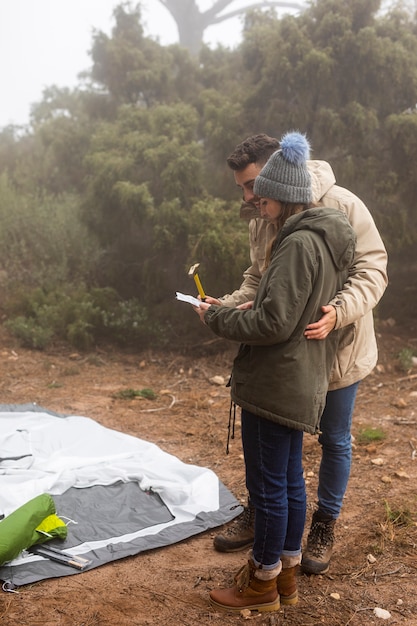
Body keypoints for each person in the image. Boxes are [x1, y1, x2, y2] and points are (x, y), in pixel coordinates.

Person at [206, 133, 388, 575]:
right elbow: (259, 280)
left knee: (333, 438)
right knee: (281, 456)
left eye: (254, 186)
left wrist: (338, 312)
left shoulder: (342, 204)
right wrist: (225, 305)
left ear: (277, 174)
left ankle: (322, 524)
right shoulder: (264, 216)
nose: (250, 199)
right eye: (243, 190)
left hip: (337, 346)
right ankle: (265, 519)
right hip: (289, 353)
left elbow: (373, 268)